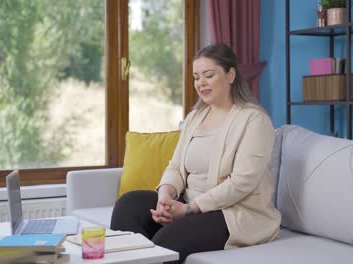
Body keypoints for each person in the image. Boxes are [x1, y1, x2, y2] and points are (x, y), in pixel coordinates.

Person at [110, 43, 281, 263]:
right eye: (196, 77)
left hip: (233, 213)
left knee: (167, 241)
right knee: (128, 205)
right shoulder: (195, 117)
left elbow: (241, 183)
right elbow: (176, 167)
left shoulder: (254, 120)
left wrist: (189, 209)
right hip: (189, 203)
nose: (200, 83)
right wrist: (165, 197)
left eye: (208, 75)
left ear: (230, 75)